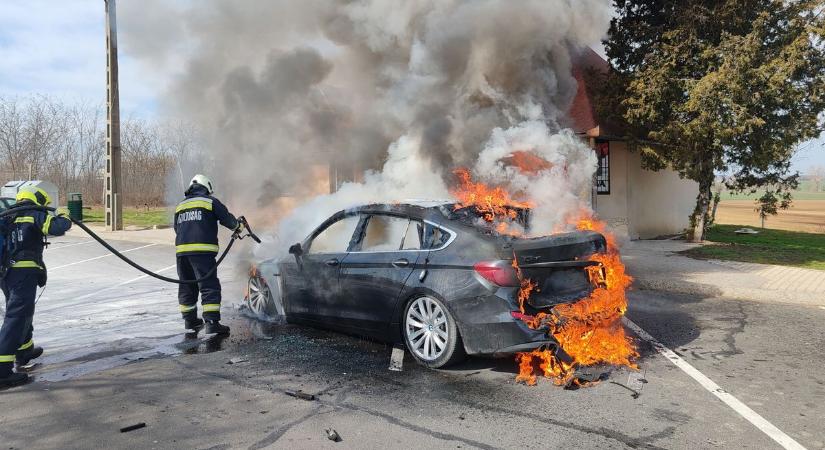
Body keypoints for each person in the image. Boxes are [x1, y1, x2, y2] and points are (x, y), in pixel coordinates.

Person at [0, 186, 71, 388]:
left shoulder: (8, 216)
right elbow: (58, 227)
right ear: (38, 199)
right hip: (23, 273)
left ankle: (24, 350)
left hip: (6, 274)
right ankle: (2, 370)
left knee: (22, 312)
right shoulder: (34, 213)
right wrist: (64, 213)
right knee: (16, 317)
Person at [174, 174, 239, 335]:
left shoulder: (180, 206)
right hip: (202, 253)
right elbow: (227, 219)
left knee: (187, 285)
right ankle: (211, 322)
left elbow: (176, 228)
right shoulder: (210, 202)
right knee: (209, 286)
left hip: (182, 252)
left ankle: (190, 321)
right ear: (207, 188)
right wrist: (238, 226)